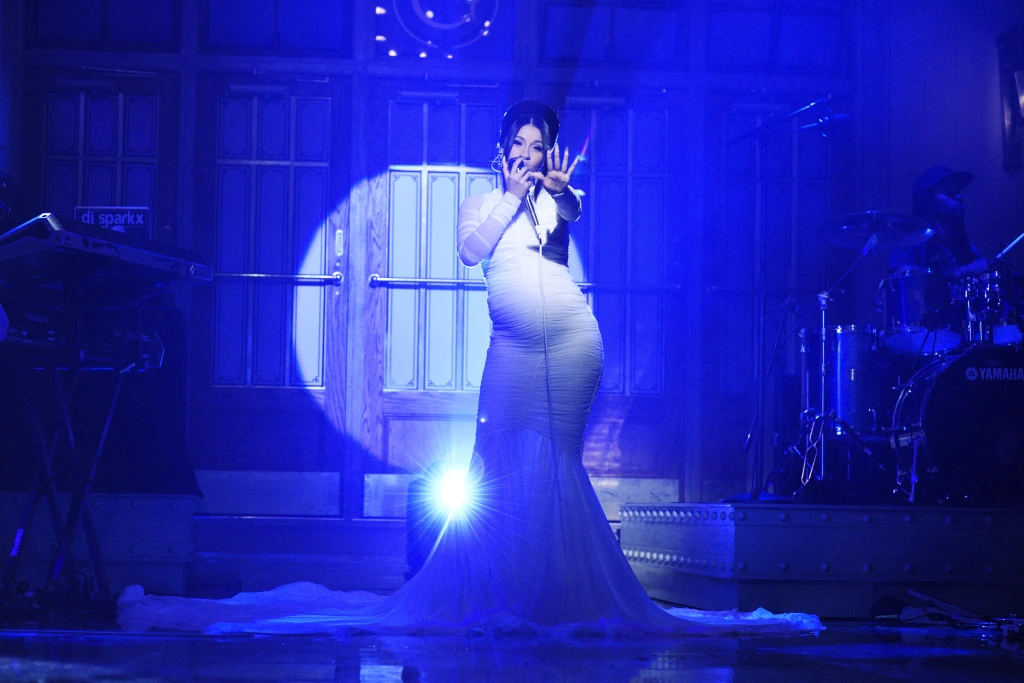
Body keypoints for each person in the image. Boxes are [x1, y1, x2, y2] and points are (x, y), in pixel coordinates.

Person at [117, 101, 818, 636]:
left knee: (557, 463)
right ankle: (500, 588)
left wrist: (556, 190)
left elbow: (573, 210)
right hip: (512, 348)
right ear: (500, 150)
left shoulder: (554, 201)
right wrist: (513, 195)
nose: (528, 155)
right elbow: (471, 251)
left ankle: (558, 593)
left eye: (539, 146)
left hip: (572, 342)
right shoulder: (483, 203)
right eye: (520, 145)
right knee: (499, 461)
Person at [889, 165, 988, 277]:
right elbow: (911, 284)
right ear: (928, 202)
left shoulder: (972, 253)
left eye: (958, 191)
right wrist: (966, 270)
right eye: (949, 193)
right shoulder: (906, 250)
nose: (959, 196)